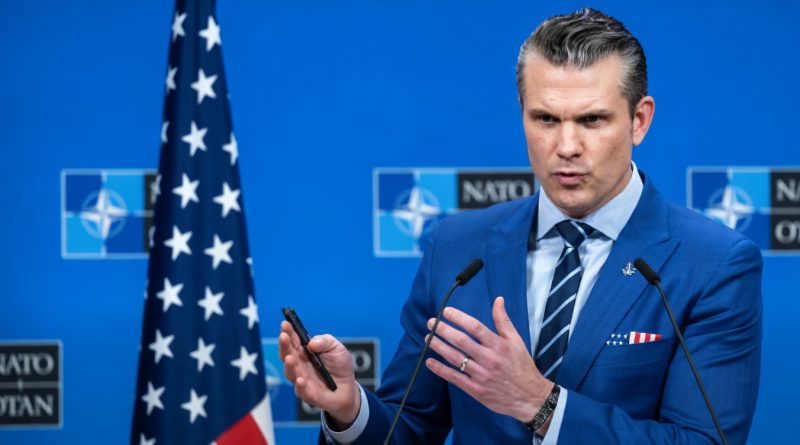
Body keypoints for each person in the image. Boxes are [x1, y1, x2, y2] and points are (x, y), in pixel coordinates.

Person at [279, 8, 762, 444]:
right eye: (545, 119)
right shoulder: (458, 248)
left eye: (592, 120)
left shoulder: (713, 263)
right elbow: (410, 428)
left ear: (639, 120)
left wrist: (541, 404)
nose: (566, 146)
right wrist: (350, 409)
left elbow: (704, 441)